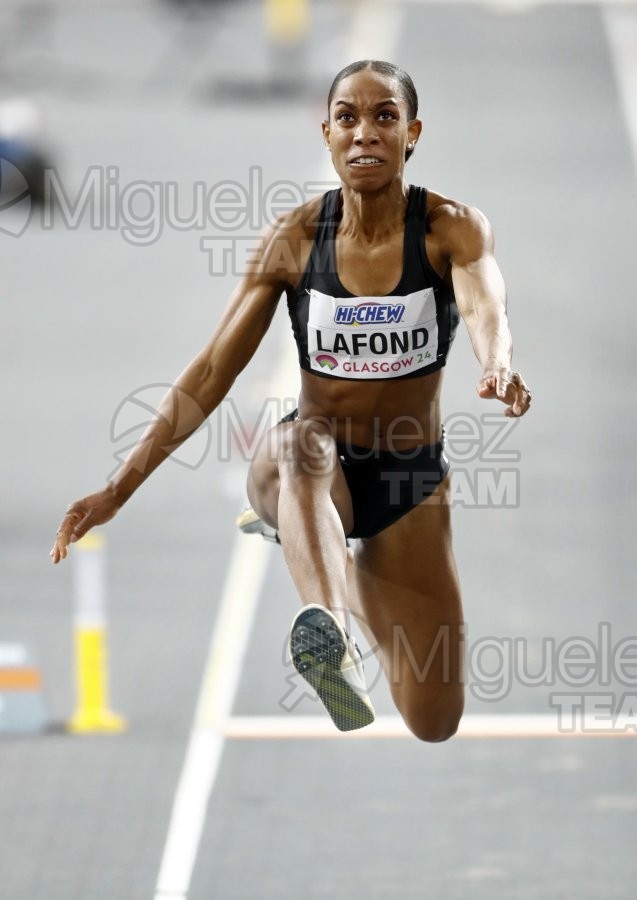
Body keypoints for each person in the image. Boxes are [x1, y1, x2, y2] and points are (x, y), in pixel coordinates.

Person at [51, 60, 531, 739]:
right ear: (327, 132)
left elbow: (486, 303)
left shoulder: (450, 229)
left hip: (408, 476)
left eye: (384, 117)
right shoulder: (295, 241)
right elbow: (212, 369)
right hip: (307, 459)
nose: (364, 132)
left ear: (411, 133)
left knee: (434, 720)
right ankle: (327, 632)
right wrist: (119, 488)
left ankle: (342, 564)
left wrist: (498, 364)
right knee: (302, 447)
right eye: (347, 118)